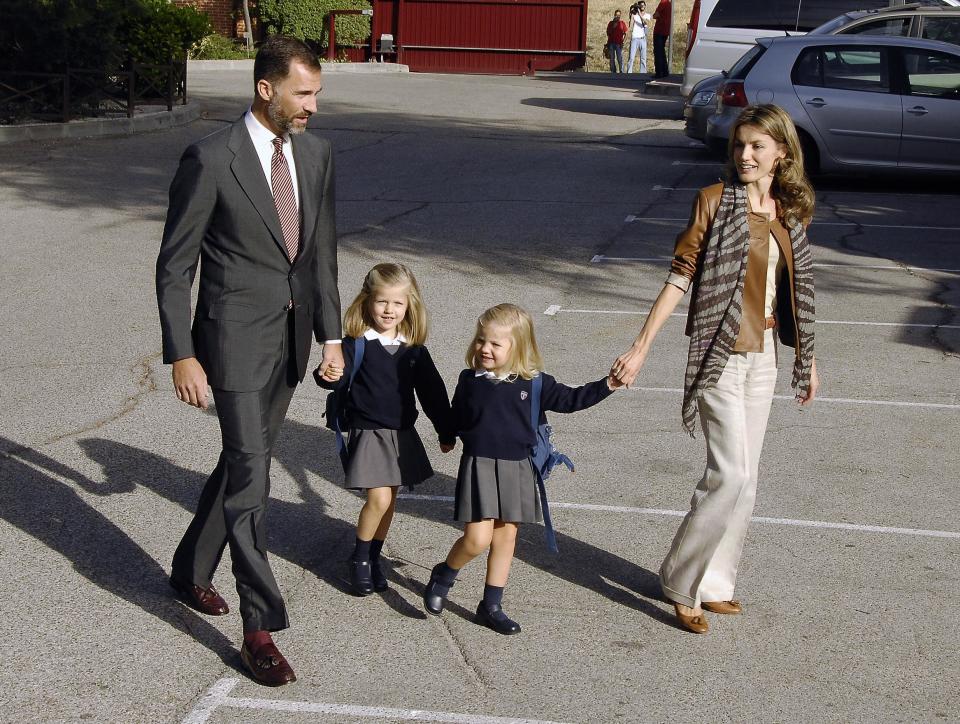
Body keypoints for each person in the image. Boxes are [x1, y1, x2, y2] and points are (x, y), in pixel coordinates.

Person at [155, 35, 343, 686]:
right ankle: (259, 628)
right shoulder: (210, 159)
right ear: (266, 89)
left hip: (290, 342)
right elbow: (175, 266)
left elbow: (321, 255)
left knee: (245, 461)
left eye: (317, 93)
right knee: (250, 476)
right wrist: (181, 353)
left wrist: (333, 337)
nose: (313, 106)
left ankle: (188, 569)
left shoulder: (317, 156)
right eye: (304, 93)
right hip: (231, 341)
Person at [610, 104, 819, 634]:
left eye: (757, 146)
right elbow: (680, 276)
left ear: (782, 154)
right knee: (730, 473)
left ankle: (716, 582)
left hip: (767, 353)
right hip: (719, 354)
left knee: (747, 480)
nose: (745, 155)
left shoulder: (788, 213)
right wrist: (641, 346)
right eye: (739, 145)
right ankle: (681, 582)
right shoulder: (711, 202)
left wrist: (808, 358)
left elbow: (797, 293)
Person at [422, 304, 620, 634]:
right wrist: (446, 436)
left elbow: (572, 400)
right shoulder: (470, 379)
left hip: (518, 468)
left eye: (495, 344)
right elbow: (458, 413)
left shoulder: (535, 383)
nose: (485, 348)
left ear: (519, 347)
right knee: (476, 539)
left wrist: (607, 385)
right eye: (482, 340)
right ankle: (443, 574)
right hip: (480, 465)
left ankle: (492, 605)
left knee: (506, 538)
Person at [315, 263, 455, 596]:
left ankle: (374, 557)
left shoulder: (413, 350)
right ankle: (359, 559)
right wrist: (327, 375)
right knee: (378, 499)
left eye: (397, 303)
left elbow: (433, 392)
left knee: (390, 500)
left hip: (401, 434)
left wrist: (445, 430)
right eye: (382, 302)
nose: (389, 310)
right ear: (367, 301)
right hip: (369, 432)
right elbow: (337, 376)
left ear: (410, 306)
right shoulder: (357, 343)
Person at [627, 2, 652, 74]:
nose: (642, 6)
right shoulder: (634, 15)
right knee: (631, 58)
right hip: (635, 38)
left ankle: (643, 74)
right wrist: (631, 15)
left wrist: (640, 14)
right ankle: (629, 74)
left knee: (643, 58)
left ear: (645, 6)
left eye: (643, 5)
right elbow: (630, 26)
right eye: (641, 5)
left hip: (643, 38)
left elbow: (646, 23)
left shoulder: (647, 15)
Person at [652, 0, 671, 78]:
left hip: (659, 30)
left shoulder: (663, 2)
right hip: (666, 30)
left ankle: (659, 72)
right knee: (662, 51)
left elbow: (655, 15)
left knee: (658, 52)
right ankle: (665, 71)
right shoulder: (669, 4)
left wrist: (656, 15)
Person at [606, 9, 628, 74]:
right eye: (616, 15)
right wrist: (613, 27)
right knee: (612, 59)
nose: (617, 16)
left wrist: (623, 41)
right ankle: (613, 71)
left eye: (619, 15)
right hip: (611, 43)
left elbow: (625, 33)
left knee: (619, 58)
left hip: (619, 43)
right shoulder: (610, 23)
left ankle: (621, 70)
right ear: (614, 15)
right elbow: (608, 33)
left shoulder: (622, 23)